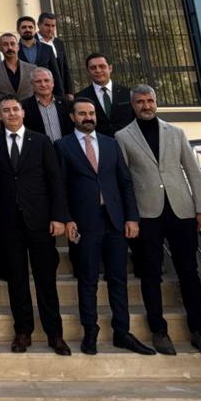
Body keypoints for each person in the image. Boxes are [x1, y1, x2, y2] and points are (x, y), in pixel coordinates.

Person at [116, 85, 201, 356]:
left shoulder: (176, 133)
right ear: (133, 105)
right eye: (140, 102)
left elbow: (193, 172)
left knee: (189, 272)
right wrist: (130, 216)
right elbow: (124, 180)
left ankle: (198, 332)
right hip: (147, 214)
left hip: (181, 211)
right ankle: (159, 331)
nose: (146, 106)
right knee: (151, 274)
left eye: (150, 101)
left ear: (156, 102)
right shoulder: (123, 136)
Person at [56, 97, 149, 356]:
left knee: (118, 279)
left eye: (91, 113)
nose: (88, 117)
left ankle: (122, 332)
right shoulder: (62, 145)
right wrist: (67, 218)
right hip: (84, 223)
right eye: (82, 113)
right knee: (87, 280)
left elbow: (125, 182)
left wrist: (132, 217)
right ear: (72, 117)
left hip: (115, 221)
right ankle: (90, 330)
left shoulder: (111, 143)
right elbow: (60, 187)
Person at [0, 97, 72, 355]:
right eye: (6, 110)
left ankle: (54, 334)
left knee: (46, 280)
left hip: (40, 222)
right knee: (17, 281)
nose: (11, 113)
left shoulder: (42, 141)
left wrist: (59, 217)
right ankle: (23, 331)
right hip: (8, 225)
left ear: (23, 113)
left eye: (15, 109)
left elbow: (55, 181)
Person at [76, 53, 135, 136]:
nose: (98, 70)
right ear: (88, 71)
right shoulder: (80, 97)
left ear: (110, 68)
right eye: (93, 68)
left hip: (128, 140)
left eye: (102, 66)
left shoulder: (128, 93)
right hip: (99, 142)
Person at [23, 67, 72, 142]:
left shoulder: (67, 104)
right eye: (38, 81)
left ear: (53, 83)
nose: (43, 84)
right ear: (32, 84)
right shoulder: (24, 107)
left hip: (65, 147)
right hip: (39, 148)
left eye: (46, 80)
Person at [0, 33, 34, 102]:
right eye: (5, 44)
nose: (10, 48)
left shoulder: (32, 69)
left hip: (29, 108)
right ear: (0, 48)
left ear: (18, 47)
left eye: (13, 44)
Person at [38, 13, 71, 97]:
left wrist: (69, 91)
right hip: (41, 89)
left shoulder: (58, 43)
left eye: (53, 26)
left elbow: (65, 67)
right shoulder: (32, 42)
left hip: (59, 90)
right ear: (39, 25)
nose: (50, 29)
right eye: (47, 25)